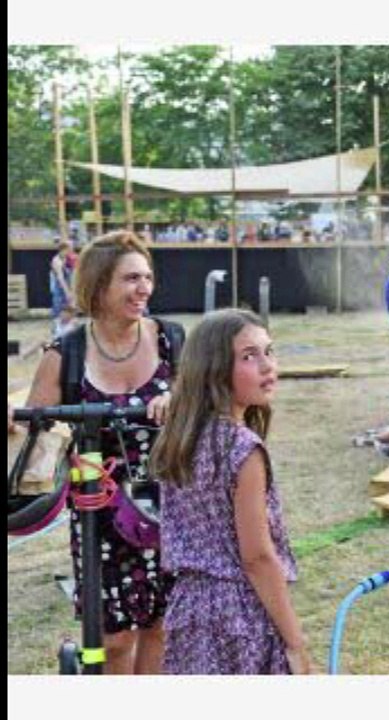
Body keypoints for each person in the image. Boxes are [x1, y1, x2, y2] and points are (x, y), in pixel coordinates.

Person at [9, 231, 183, 673]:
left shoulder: (172, 340)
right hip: (99, 515)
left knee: (164, 627)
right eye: (129, 278)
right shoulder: (65, 351)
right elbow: (35, 427)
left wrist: (181, 401)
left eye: (147, 276)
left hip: (171, 506)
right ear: (98, 284)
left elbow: (208, 405)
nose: (143, 288)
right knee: (114, 639)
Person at [151, 309, 310, 674]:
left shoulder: (180, 438)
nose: (268, 366)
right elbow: (257, 558)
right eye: (249, 356)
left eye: (269, 351)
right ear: (214, 369)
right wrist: (295, 642)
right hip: (239, 616)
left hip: (187, 611)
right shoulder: (242, 448)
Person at [49, 239, 77, 338]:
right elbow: (60, 278)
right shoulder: (57, 260)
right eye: (70, 248)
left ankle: (69, 334)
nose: (72, 249)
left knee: (71, 312)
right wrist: (67, 292)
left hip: (68, 289)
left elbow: (73, 275)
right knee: (59, 313)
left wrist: (73, 292)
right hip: (60, 291)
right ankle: (57, 336)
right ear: (64, 249)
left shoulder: (69, 259)